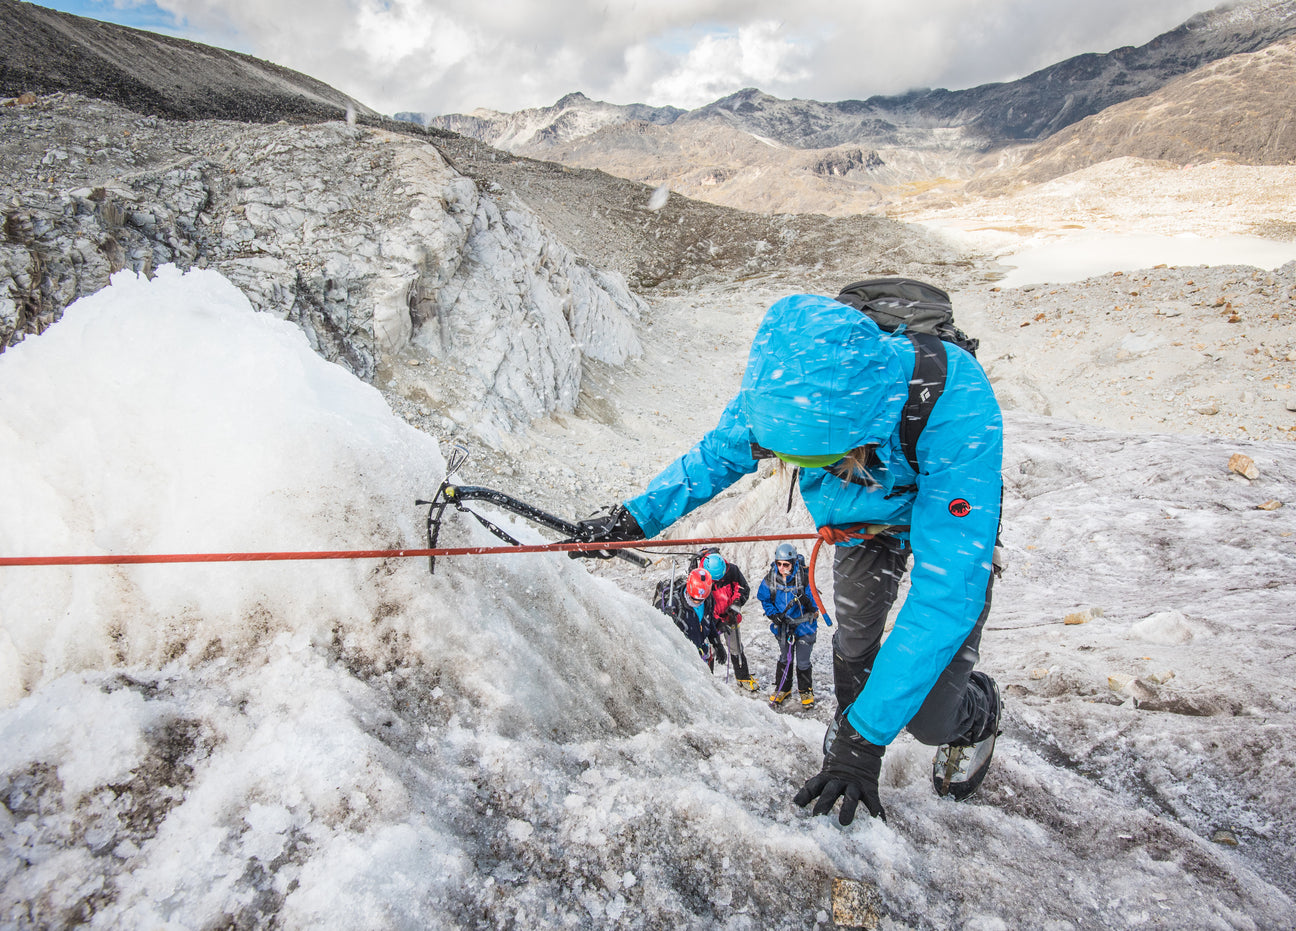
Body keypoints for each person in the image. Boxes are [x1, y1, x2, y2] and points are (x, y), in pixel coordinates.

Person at [574, 290, 1003, 823]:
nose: (792, 466)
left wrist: (865, 744)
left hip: (946, 517)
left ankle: (976, 715)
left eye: (815, 459)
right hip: (859, 530)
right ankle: (850, 730)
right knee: (854, 643)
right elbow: (715, 457)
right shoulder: (783, 389)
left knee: (932, 720)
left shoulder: (955, 404)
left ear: (860, 427)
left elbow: (946, 595)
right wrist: (634, 520)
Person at [757, 542, 819, 707]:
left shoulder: (805, 578)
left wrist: (808, 603)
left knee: (803, 661)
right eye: (779, 564)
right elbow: (764, 598)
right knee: (785, 658)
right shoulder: (771, 579)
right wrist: (773, 615)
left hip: (804, 626)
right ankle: (783, 688)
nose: (782, 567)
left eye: (786, 564)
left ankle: (806, 690)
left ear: (793, 563)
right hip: (783, 626)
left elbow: (815, 603)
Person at [692, 549, 757, 692]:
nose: (719, 582)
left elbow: (742, 588)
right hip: (710, 621)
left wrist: (734, 607)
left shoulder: (732, 570)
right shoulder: (700, 578)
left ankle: (743, 676)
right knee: (709, 652)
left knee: (736, 647)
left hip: (730, 616)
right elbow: (701, 604)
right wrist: (716, 622)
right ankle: (708, 684)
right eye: (716, 581)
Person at [655, 567, 726, 670]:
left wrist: (717, 644)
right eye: (694, 599)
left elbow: (709, 623)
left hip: (702, 653)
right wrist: (665, 616)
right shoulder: (674, 605)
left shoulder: (708, 600)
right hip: (684, 660)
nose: (697, 602)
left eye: (700, 600)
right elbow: (658, 629)